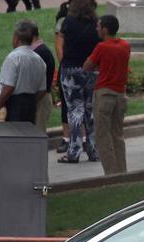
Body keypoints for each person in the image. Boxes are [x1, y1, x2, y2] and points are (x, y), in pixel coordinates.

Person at [84, 15, 131, 175]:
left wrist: (98, 64)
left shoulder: (102, 47)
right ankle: (122, 172)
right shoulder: (125, 45)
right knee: (117, 135)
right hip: (120, 95)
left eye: (98, 26)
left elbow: (87, 66)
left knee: (103, 137)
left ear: (104, 29)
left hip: (104, 95)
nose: (96, 28)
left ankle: (111, 175)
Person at [58, 0, 101, 164]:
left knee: (75, 111)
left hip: (71, 70)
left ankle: (74, 151)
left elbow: (63, 40)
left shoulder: (68, 22)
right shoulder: (96, 23)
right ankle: (93, 150)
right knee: (90, 111)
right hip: (91, 70)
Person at [0, 20, 46, 125]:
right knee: (27, 136)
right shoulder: (39, 60)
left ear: (16, 38)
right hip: (31, 105)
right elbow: (42, 90)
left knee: (13, 136)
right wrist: (31, 102)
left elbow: (8, 87)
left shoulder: (13, 58)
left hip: (14, 105)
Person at [30, 24, 56, 132]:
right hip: (40, 97)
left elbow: (41, 82)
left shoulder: (40, 52)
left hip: (41, 98)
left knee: (37, 133)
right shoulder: (39, 51)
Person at [55, 0, 72, 153]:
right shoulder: (63, 20)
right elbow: (59, 45)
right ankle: (66, 139)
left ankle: (86, 139)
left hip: (86, 66)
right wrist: (64, 65)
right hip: (68, 67)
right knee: (66, 104)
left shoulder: (91, 19)